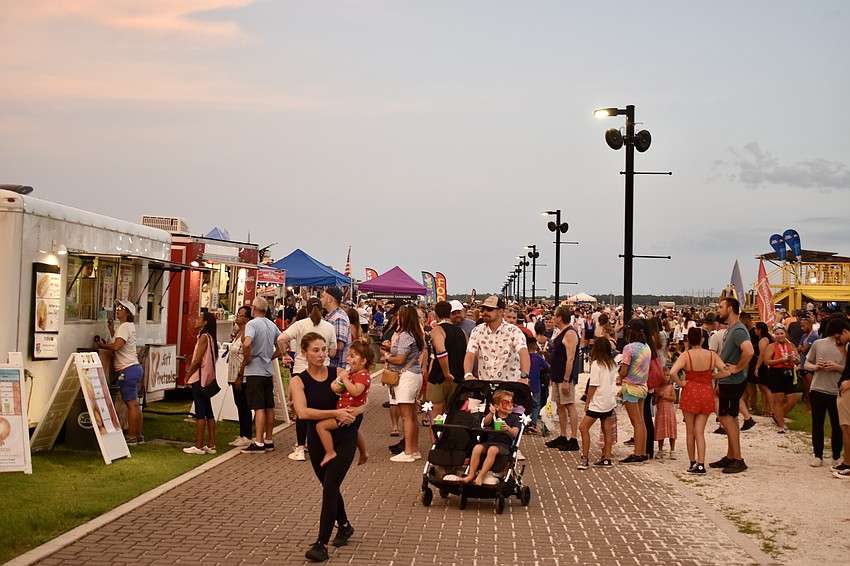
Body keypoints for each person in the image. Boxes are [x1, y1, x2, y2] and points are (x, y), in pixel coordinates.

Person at [289, 333, 364, 562]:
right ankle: (344, 525)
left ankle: (321, 544)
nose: (322, 355)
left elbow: (361, 399)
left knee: (330, 487)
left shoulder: (340, 374)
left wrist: (355, 415)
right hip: (317, 439)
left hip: (344, 437)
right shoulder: (298, 381)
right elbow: (302, 413)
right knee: (329, 487)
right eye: (315, 350)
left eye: (324, 349)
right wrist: (335, 413)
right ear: (304, 352)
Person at [277, 297, 338, 461]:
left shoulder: (300, 324)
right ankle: (323, 445)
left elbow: (281, 339)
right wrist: (323, 354)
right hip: (323, 372)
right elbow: (333, 352)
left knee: (300, 412)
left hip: (301, 371)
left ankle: (300, 447)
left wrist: (284, 355)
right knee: (321, 408)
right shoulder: (329, 327)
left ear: (306, 308)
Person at [668, 327, 730, 474]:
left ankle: (692, 462)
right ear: (703, 339)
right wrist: (712, 377)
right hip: (706, 390)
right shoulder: (711, 355)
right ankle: (702, 463)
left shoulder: (686, 355)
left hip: (690, 391)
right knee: (700, 431)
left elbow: (672, 372)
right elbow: (726, 371)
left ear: (688, 340)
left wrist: (682, 383)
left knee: (690, 431)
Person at [710, 297, 753, 474]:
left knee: (727, 419)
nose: (718, 310)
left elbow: (749, 351)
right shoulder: (731, 330)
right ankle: (730, 456)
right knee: (731, 418)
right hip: (728, 380)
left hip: (733, 380)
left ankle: (738, 458)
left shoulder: (738, 331)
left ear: (730, 309)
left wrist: (737, 368)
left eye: (721, 307)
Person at [318, 337, 374, 467]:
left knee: (321, 426)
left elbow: (356, 392)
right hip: (349, 411)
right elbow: (337, 387)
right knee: (355, 431)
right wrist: (340, 383)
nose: (348, 359)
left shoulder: (363, 376)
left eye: (352, 356)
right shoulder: (353, 374)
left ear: (363, 361)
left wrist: (346, 380)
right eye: (348, 356)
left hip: (349, 413)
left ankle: (330, 452)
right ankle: (364, 452)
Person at [97, 299, 144, 445]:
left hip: (127, 370)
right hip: (135, 368)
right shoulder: (128, 327)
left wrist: (103, 345)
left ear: (128, 312)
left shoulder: (124, 327)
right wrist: (111, 330)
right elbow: (119, 342)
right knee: (135, 404)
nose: (118, 310)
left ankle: (131, 437)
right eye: (117, 307)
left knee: (131, 405)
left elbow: (117, 346)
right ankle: (138, 435)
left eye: (121, 308)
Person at [240, 297, 282, 454]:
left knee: (258, 407)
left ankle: (258, 442)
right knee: (268, 406)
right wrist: (272, 355)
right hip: (267, 370)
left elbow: (247, 342)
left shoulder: (252, 324)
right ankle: (268, 439)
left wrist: (247, 357)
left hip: (255, 370)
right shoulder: (272, 325)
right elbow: (282, 342)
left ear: (254, 308)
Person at [386, 304, 426, 462]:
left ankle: (408, 451)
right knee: (411, 415)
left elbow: (401, 359)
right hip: (414, 374)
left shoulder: (405, 335)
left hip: (406, 376)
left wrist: (388, 357)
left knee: (406, 416)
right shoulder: (414, 334)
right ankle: (413, 449)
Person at [803, 322, 845, 467]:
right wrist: (816, 366)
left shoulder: (845, 346)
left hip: (836, 390)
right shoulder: (818, 343)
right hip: (818, 388)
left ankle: (836, 455)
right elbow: (806, 363)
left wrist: (837, 367)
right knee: (817, 423)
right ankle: (817, 455)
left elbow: (847, 369)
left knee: (837, 425)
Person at [460, 389, 521, 485]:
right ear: (497, 406)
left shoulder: (514, 418)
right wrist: (491, 413)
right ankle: (471, 474)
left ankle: (481, 476)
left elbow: (515, 432)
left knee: (492, 450)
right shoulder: (494, 416)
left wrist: (508, 428)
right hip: (490, 442)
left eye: (511, 403)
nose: (510, 406)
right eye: (506, 403)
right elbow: (485, 423)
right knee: (477, 448)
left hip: (504, 444)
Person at [464, 295, 530, 383]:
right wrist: (468, 374)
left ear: (500, 311)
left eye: (489, 309)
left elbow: (523, 352)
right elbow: (470, 354)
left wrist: (524, 376)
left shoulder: (513, 331)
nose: (485, 312)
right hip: (485, 386)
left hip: (509, 386)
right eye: (483, 309)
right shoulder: (477, 330)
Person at [577, 338, 617, 469]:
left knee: (583, 427)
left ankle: (584, 458)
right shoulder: (611, 364)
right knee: (607, 429)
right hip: (608, 400)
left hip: (598, 401)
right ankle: (607, 457)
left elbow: (593, 385)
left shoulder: (596, 364)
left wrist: (587, 401)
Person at [544, 306, 580, 451]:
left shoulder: (570, 333)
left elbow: (570, 358)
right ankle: (563, 435)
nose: (552, 318)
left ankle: (573, 438)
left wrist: (566, 379)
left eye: (554, 316)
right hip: (557, 375)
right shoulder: (561, 333)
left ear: (560, 317)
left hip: (565, 377)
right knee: (559, 405)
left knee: (569, 404)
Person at [182, 312, 218, 454]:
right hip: (207, 380)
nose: (196, 320)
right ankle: (211, 444)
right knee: (208, 411)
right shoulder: (211, 338)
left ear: (204, 323)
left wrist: (188, 375)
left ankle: (198, 445)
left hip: (199, 379)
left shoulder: (203, 337)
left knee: (200, 412)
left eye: (199, 318)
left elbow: (197, 360)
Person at [425, 300, 467, 420]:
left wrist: (446, 373)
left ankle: (435, 438)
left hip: (440, 377)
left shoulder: (437, 330)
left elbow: (441, 352)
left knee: (436, 411)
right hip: (458, 375)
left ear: (436, 314)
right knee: (452, 412)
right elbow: (467, 353)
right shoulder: (462, 332)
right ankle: (449, 437)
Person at [617, 319, 651, 464]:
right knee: (641, 421)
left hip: (631, 387)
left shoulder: (629, 348)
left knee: (635, 422)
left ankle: (637, 453)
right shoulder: (646, 347)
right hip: (643, 386)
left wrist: (619, 373)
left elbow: (624, 371)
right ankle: (642, 451)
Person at [762, 324, 800, 434]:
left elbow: (798, 359)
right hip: (776, 373)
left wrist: (794, 360)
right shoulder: (772, 346)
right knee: (779, 400)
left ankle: (779, 416)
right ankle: (781, 424)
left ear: (785, 334)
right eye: (777, 334)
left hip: (788, 373)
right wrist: (781, 360)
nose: (779, 336)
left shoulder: (791, 345)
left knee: (792, 400)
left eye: (781, 333)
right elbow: (767, 361)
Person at [226, 305, 253, 447]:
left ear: (247, 319)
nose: (238, 316)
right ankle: (243, 433)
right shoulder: (238, 333)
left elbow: (246, 357)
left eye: (241, 315)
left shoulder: (246, 336)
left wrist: (239, 376)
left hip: (241, 376)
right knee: (239, 404)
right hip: (233, 373)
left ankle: (247, 435)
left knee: (244, 405)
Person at [830, 317, 850, 477]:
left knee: (847, 427)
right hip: (844, 387)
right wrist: (843, 351)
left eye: (838, 337)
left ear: (844, 331)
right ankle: (846, 461)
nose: (838, 340)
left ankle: (848, 463)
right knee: (845, 426)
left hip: (847, 388)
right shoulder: (848, 345)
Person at [322, 287, 352, 371]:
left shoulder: (338, 318)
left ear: (329, 299)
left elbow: (339, 346)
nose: (321, 299)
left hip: (337, 367)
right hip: (333, 366)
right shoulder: (333, 316)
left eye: (323, 296)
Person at [526, 334, 549, 433]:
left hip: (524, 385)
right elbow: (547, 366)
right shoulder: (538, 358)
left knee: (525, 405)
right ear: (535, 346)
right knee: (536, 405)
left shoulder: (523, 357)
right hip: (536, 385)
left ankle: (525, 425)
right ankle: (533, 424)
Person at [753, 322, 775, 417]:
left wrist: (757, 367)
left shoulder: (763, 340)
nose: (754, 331)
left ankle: (772, 409)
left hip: (763, 365)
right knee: (762, 387)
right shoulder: (768, 338)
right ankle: (764, 408)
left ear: (760, 330)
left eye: (756, 329)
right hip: (766, 364)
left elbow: (762, 354)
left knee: (766, 388)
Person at [798, 315, 819, 414]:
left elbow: (804, 349)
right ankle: (808, 406)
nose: (802, 328)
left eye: (804, 326)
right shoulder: (803, 336)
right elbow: (799, 348)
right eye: (801, 326)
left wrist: (802, 349)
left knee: (811, 387)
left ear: (809, 324)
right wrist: (802, 349)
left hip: (810, 365)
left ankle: (813, 407)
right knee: (806, 388)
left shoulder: (814, 336)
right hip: (803, 364)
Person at [653, 376, 678, 460]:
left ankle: (672, 450)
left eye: (667, 375)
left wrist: (664, 396)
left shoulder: (670, 387)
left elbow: (674, 398)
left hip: (670, 412)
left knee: (671, 431)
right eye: (663, 375)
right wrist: (657, 395)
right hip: (660, 412)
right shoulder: (657, 389)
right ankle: (660, 449)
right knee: (661, 431)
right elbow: (654, 402)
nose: (665, 377)